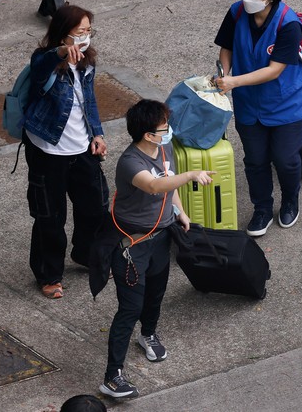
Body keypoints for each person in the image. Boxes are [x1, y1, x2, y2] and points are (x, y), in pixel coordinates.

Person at [90, 99, 214, 398]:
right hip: (131, 245)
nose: (169, 131)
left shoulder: (164, 149)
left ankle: (148, 335)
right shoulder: (131, 162)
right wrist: (192, 175)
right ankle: (112, 376)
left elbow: (168, 186)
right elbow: (155, 186)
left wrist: (180, 213)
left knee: (156, 291)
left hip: (161, 236)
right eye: (164, 127)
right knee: (130, 307)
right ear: (148, 134)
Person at [214, 0, 302, 237]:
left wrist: (233, 82)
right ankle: (262, 209)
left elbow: (274, 70)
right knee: (255, 159)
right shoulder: (236, 13)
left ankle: (290, 200)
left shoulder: (289, 24)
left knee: (285, 158)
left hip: (287, 103)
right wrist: (223, 72)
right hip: (249, 102)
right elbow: (227, 47)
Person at [23, 4, 109, 299]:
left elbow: (90, 101)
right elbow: (41, 66)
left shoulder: (88, 61)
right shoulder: (45, 60)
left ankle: (84, 253)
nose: (85, 38)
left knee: (95, 206)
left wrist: (97, 133)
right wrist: (60, 53)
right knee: (50, 216)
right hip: (48, 149)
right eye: (79, 32)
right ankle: (49, 274)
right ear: (62, 35)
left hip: (82, 147)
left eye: (88, 31)